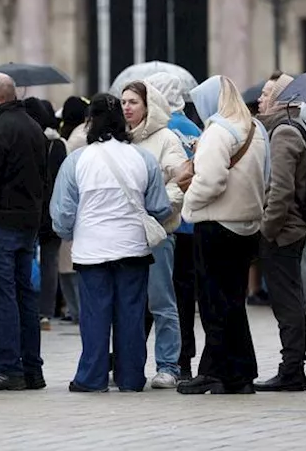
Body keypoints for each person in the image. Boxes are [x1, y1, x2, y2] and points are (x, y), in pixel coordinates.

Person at [52, 94, 172, 393]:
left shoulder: (77, 160)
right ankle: (130, 378)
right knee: (131, 315)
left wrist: (70, 233)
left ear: (90, 121)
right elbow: (160, 207)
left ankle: (91, 377)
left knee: (94, 316)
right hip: (133, 248)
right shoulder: (143, 159)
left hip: (91, 250)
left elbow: (63, 212)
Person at [177, 76, 271, 396]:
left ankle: (214, 372)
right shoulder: (255, 130)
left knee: (213, 303)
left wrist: (188, 207)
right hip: (247, 226)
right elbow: (268, 176)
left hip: (216, 225)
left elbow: (211, 181)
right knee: (233, 302)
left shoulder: (218, 130)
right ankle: (241, 373)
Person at [0, 73, 47, 392]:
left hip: (0, 225)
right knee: (25, 295)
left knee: (2, 298)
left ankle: (8, 368)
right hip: (27, 224)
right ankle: (32, 368)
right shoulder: (34, 128)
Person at [120, 80, 188, 389]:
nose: (127, 107)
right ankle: (128, 363)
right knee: (128, 303)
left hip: (158, 233)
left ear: (149, 105)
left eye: (133, 101)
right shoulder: (120, 140)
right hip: (123, 234)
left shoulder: (166, 138)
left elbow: (180, 179)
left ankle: (168, 365)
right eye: (123, 101)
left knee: (161, 301)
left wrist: (159, 208)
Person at [253, 72, 306, 392]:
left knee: (287, 303)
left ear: (282, 98)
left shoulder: (284, 133)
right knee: (289, 301)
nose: (261, 99)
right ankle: (292, 367)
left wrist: (267, 231)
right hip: (288, 229)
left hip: (284, 232)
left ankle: (292, 370)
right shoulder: (288, 128)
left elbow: (279, 191)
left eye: (267, 93)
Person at [143, 71, 202, 378]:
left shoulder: (160, 129)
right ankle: (184, 359)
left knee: (155, 296)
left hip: (164, 224)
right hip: (191, 224)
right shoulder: (194, 127)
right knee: (182, 296)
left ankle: (147, 357)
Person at [26, 97, 67, 332]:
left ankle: (31, 305)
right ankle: (45, 312)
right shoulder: (57, 144)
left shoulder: (27, 139)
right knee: (50, 262)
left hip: (33, 209)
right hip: (52, 210)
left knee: (29, 258)